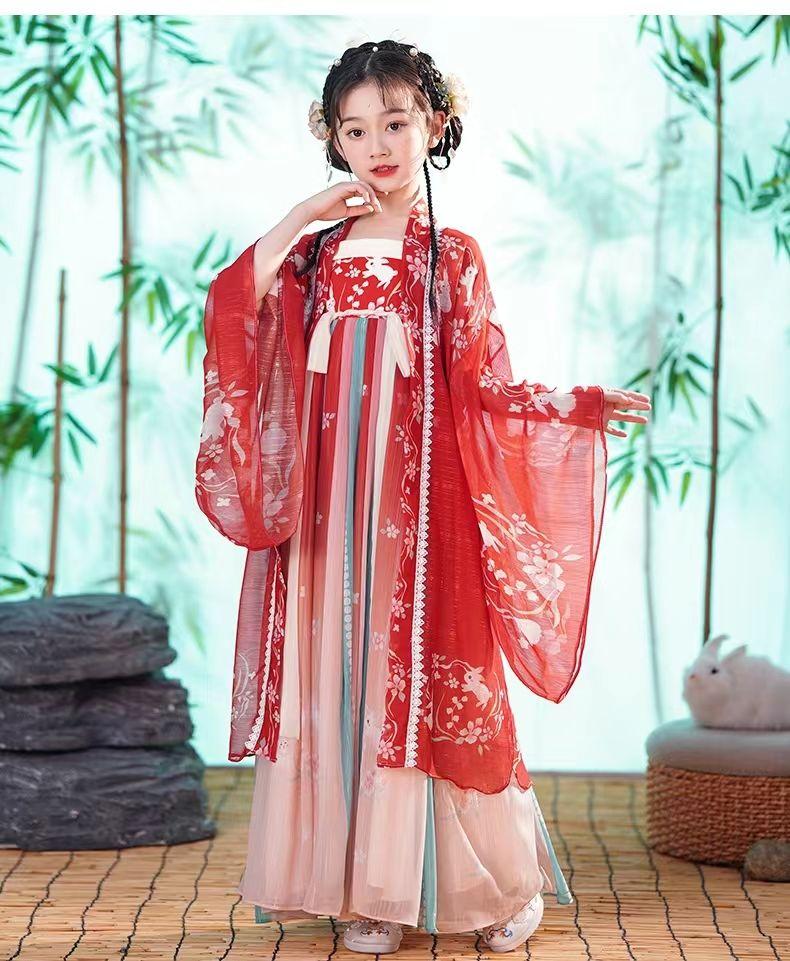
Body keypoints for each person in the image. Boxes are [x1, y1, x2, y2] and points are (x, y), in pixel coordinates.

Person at [194, 39, 651, 956]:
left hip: (418, 511)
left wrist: (574, 405)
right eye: (355, 130)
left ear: (434, 125)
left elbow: (483, 385)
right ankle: (367, 890)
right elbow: (232, 305)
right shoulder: (315, 257)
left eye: (396, 123)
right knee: (336, 672)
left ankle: (496, 884)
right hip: (325, 512)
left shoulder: (450, 254)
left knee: (427, 676)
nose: (378, 146)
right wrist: (301, 213)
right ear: (332, 140)